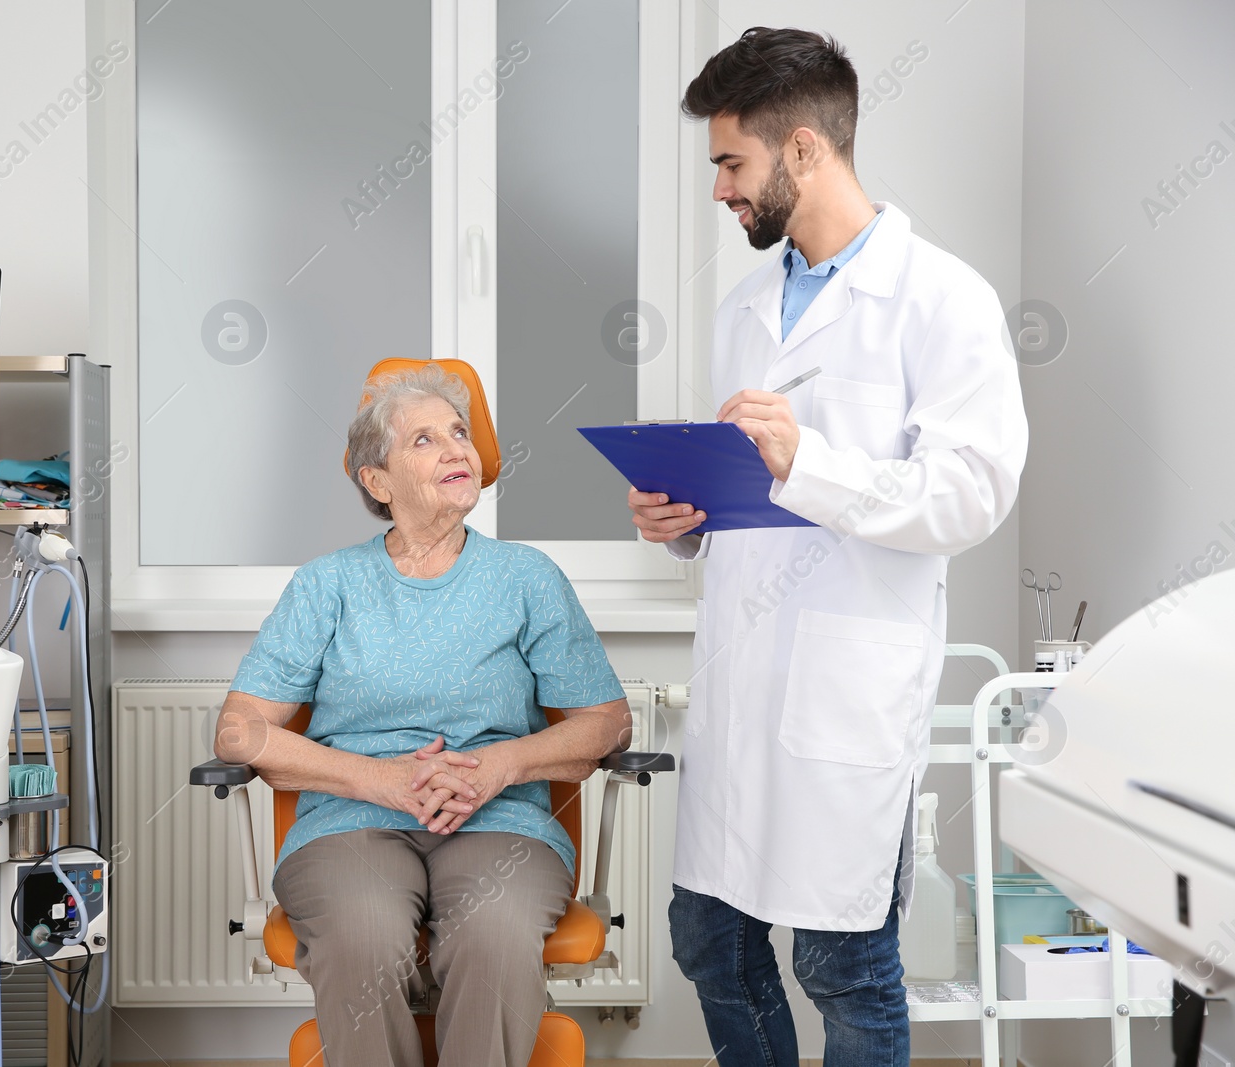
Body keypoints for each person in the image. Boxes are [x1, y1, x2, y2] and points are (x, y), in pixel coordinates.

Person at [628, 27, 1028, 1067]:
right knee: (708, 938)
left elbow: (969, 493)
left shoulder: (942, 300)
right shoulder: (743, 309)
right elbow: (751, 493)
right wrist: (688, 519)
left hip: (844, 686)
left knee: (841, 965)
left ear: (801, 149)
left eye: (730, 162)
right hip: (741, 679)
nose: (719, 189)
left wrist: (810, 460)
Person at [216, 364, 631, 1066]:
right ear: (376, 480)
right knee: (362, 934)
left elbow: (608, 724)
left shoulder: (527, 578)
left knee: (495, 932)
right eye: (425, 439)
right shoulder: (327, 585)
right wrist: (383, 780)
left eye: (461, 434)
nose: (456, 449)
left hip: (502, 817)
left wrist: (497, 767)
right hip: (352, 821)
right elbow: (238, 730)